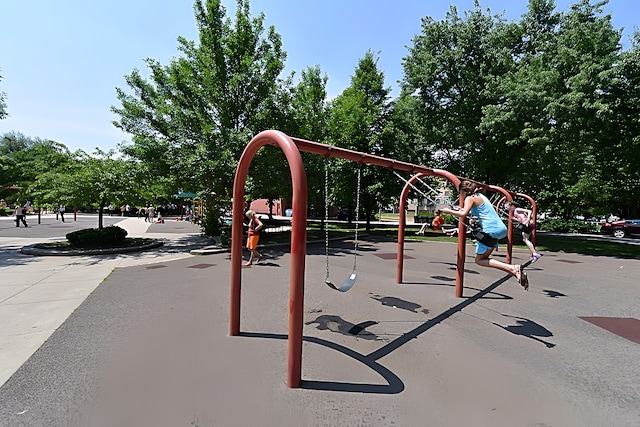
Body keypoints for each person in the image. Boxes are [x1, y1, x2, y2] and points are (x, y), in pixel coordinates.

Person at [440, 180, 529, 290]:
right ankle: (514, 271)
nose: (459, 195)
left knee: (479, 260)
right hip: (500, 228)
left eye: (459, 192)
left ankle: (514, 268)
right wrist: (459, 209)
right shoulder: (480, 196)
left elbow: (463, 214)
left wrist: (447, 211)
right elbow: (475, 211)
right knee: (485, 258)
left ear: (463, 191)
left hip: (491, 229)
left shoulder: (470, 198)